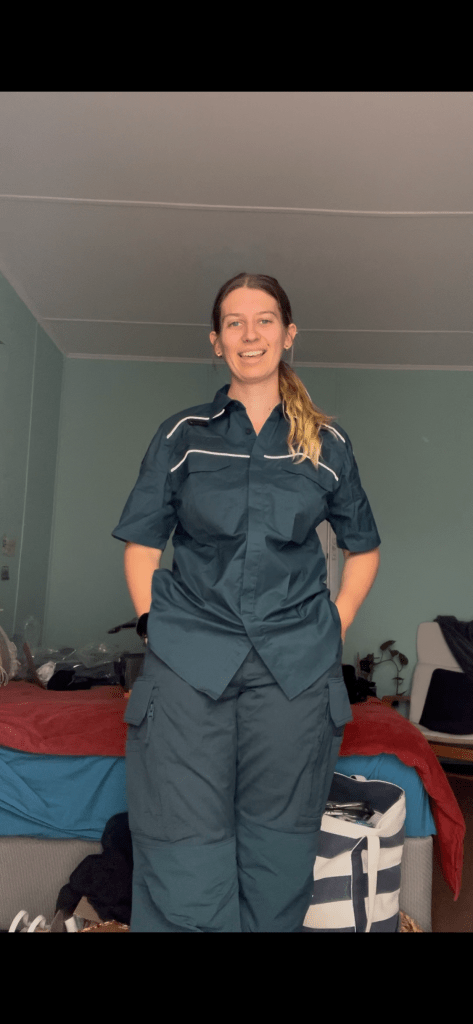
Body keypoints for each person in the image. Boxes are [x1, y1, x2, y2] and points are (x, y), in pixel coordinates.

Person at [112, 272, 381, 932]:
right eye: (234, 322)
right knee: (181, 836)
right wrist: (151, 624)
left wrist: (337, 622)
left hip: (295, 664)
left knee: (279, 844)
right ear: (216, 341)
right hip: (188, 656)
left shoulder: (327, 444)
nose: (250, 333)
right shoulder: (182, 435)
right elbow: (142, 544)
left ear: (288, 335)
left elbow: (363, 548)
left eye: (264, 320)